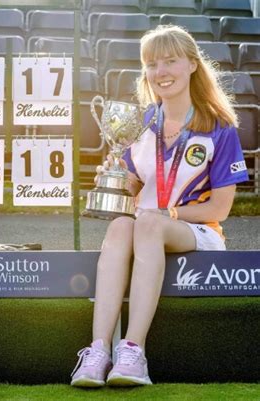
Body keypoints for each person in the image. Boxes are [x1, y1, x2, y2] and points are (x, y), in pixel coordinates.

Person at [71, 25, 249, 387]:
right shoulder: (141, 122)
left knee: (145, 223)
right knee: (121, 225)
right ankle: (98, 350)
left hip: (198, 231)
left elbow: (220, 209)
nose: (161, 72)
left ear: (193, 65)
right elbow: (134, 187)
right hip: (142, 227)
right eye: (152, 64)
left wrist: (164, 214)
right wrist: (118, 178)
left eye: (170, 61)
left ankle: (133, 352)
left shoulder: (219, 127)